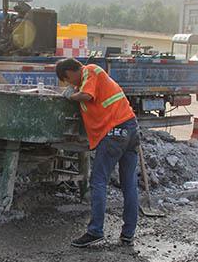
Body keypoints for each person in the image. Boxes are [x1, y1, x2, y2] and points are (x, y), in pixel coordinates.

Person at [57, 58, 140, 248]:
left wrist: (70, 95)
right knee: (129, 184)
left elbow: (86, 95)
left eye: (68, 79)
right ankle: (128, 234)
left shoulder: (90, 70)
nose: (71, 83)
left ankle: (95, 231)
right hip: (130, 129)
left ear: (72, 70)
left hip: (115, 133)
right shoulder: (90, 78)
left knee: (98, 181)